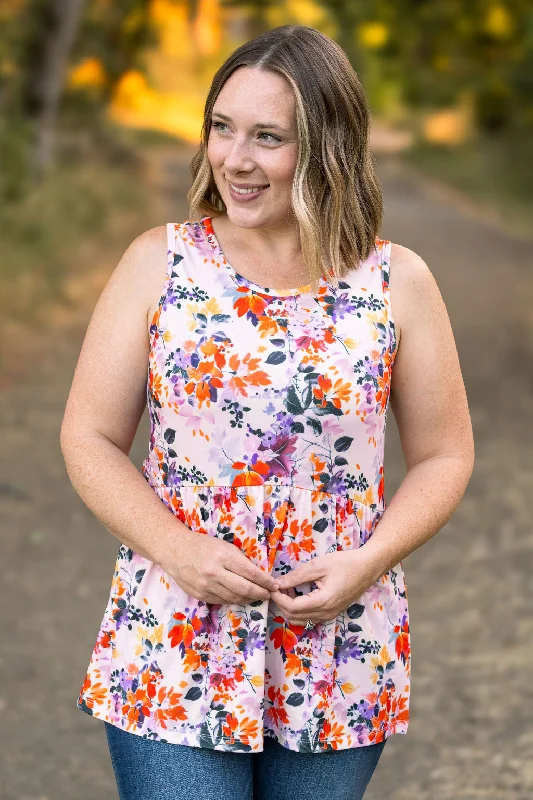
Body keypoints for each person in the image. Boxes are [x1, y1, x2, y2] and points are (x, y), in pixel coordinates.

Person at [60, 24, 475, 800]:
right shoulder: (161, 262)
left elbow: (445, 455)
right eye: (222, 127)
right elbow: (87, 437)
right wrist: (177, 551)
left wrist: (367, 562)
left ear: (328, 149)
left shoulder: (397, 283)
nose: (234, 159)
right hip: (173, 641)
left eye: (267, 137)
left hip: (338, 646)